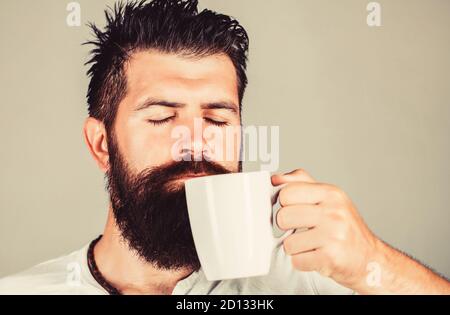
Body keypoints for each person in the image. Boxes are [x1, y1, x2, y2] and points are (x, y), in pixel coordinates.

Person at [0, 0, 448, 295]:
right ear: (101, 144)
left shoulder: (311, 278)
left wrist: (373, 261)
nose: (195, 140)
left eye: (217, 118)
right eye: (161, 116)